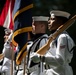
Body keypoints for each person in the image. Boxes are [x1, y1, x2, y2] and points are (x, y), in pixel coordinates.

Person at [31, 10, 75, 75]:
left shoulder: (63, 37)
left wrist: (41, 58)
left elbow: (60, 60)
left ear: (60, 22)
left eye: (52, 19)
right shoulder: (54, 38)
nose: (49, 22)